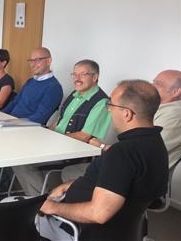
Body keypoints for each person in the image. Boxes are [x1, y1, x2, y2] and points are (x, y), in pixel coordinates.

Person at [38, 80, 168, 241]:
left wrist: (52, 207)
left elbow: (99, 214)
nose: (109, 110)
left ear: (126, 113)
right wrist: (69, 185)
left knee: (10, 207)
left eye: (111, 105)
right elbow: (116, 182)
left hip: (77, 230)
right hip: (126, 230)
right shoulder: (155, 144)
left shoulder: (122, 153)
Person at [13, 60, 111, 196]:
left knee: (23, 162)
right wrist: (45, 133)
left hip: (73, 152)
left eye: (83, 74)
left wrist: (52, 139)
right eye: (74, 74)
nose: (77, 79)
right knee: (17, 151)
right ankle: (43, 197)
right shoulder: (74, 95)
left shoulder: (102, 102)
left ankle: (40, 203)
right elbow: (58, 123)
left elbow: (85, 136)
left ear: (95, 77)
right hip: (56, 144)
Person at [90, 70, 181, 168]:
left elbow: (143, 150)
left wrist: (103, 146)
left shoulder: (175, 115)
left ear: (176, 92)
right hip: (131, 166)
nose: (152, 86)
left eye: (158, 84)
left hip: (142, 174)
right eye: (153, 82)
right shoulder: (158, 108)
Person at [2, 47, 63, 125]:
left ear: (48, 61)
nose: (32, 65)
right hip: (11, 121)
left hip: (25, 128)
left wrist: (12, 123)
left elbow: (40, 117)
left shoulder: (54, 88)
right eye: (31, 61)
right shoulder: (30, 81)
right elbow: (15, 102)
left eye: (37, 60)